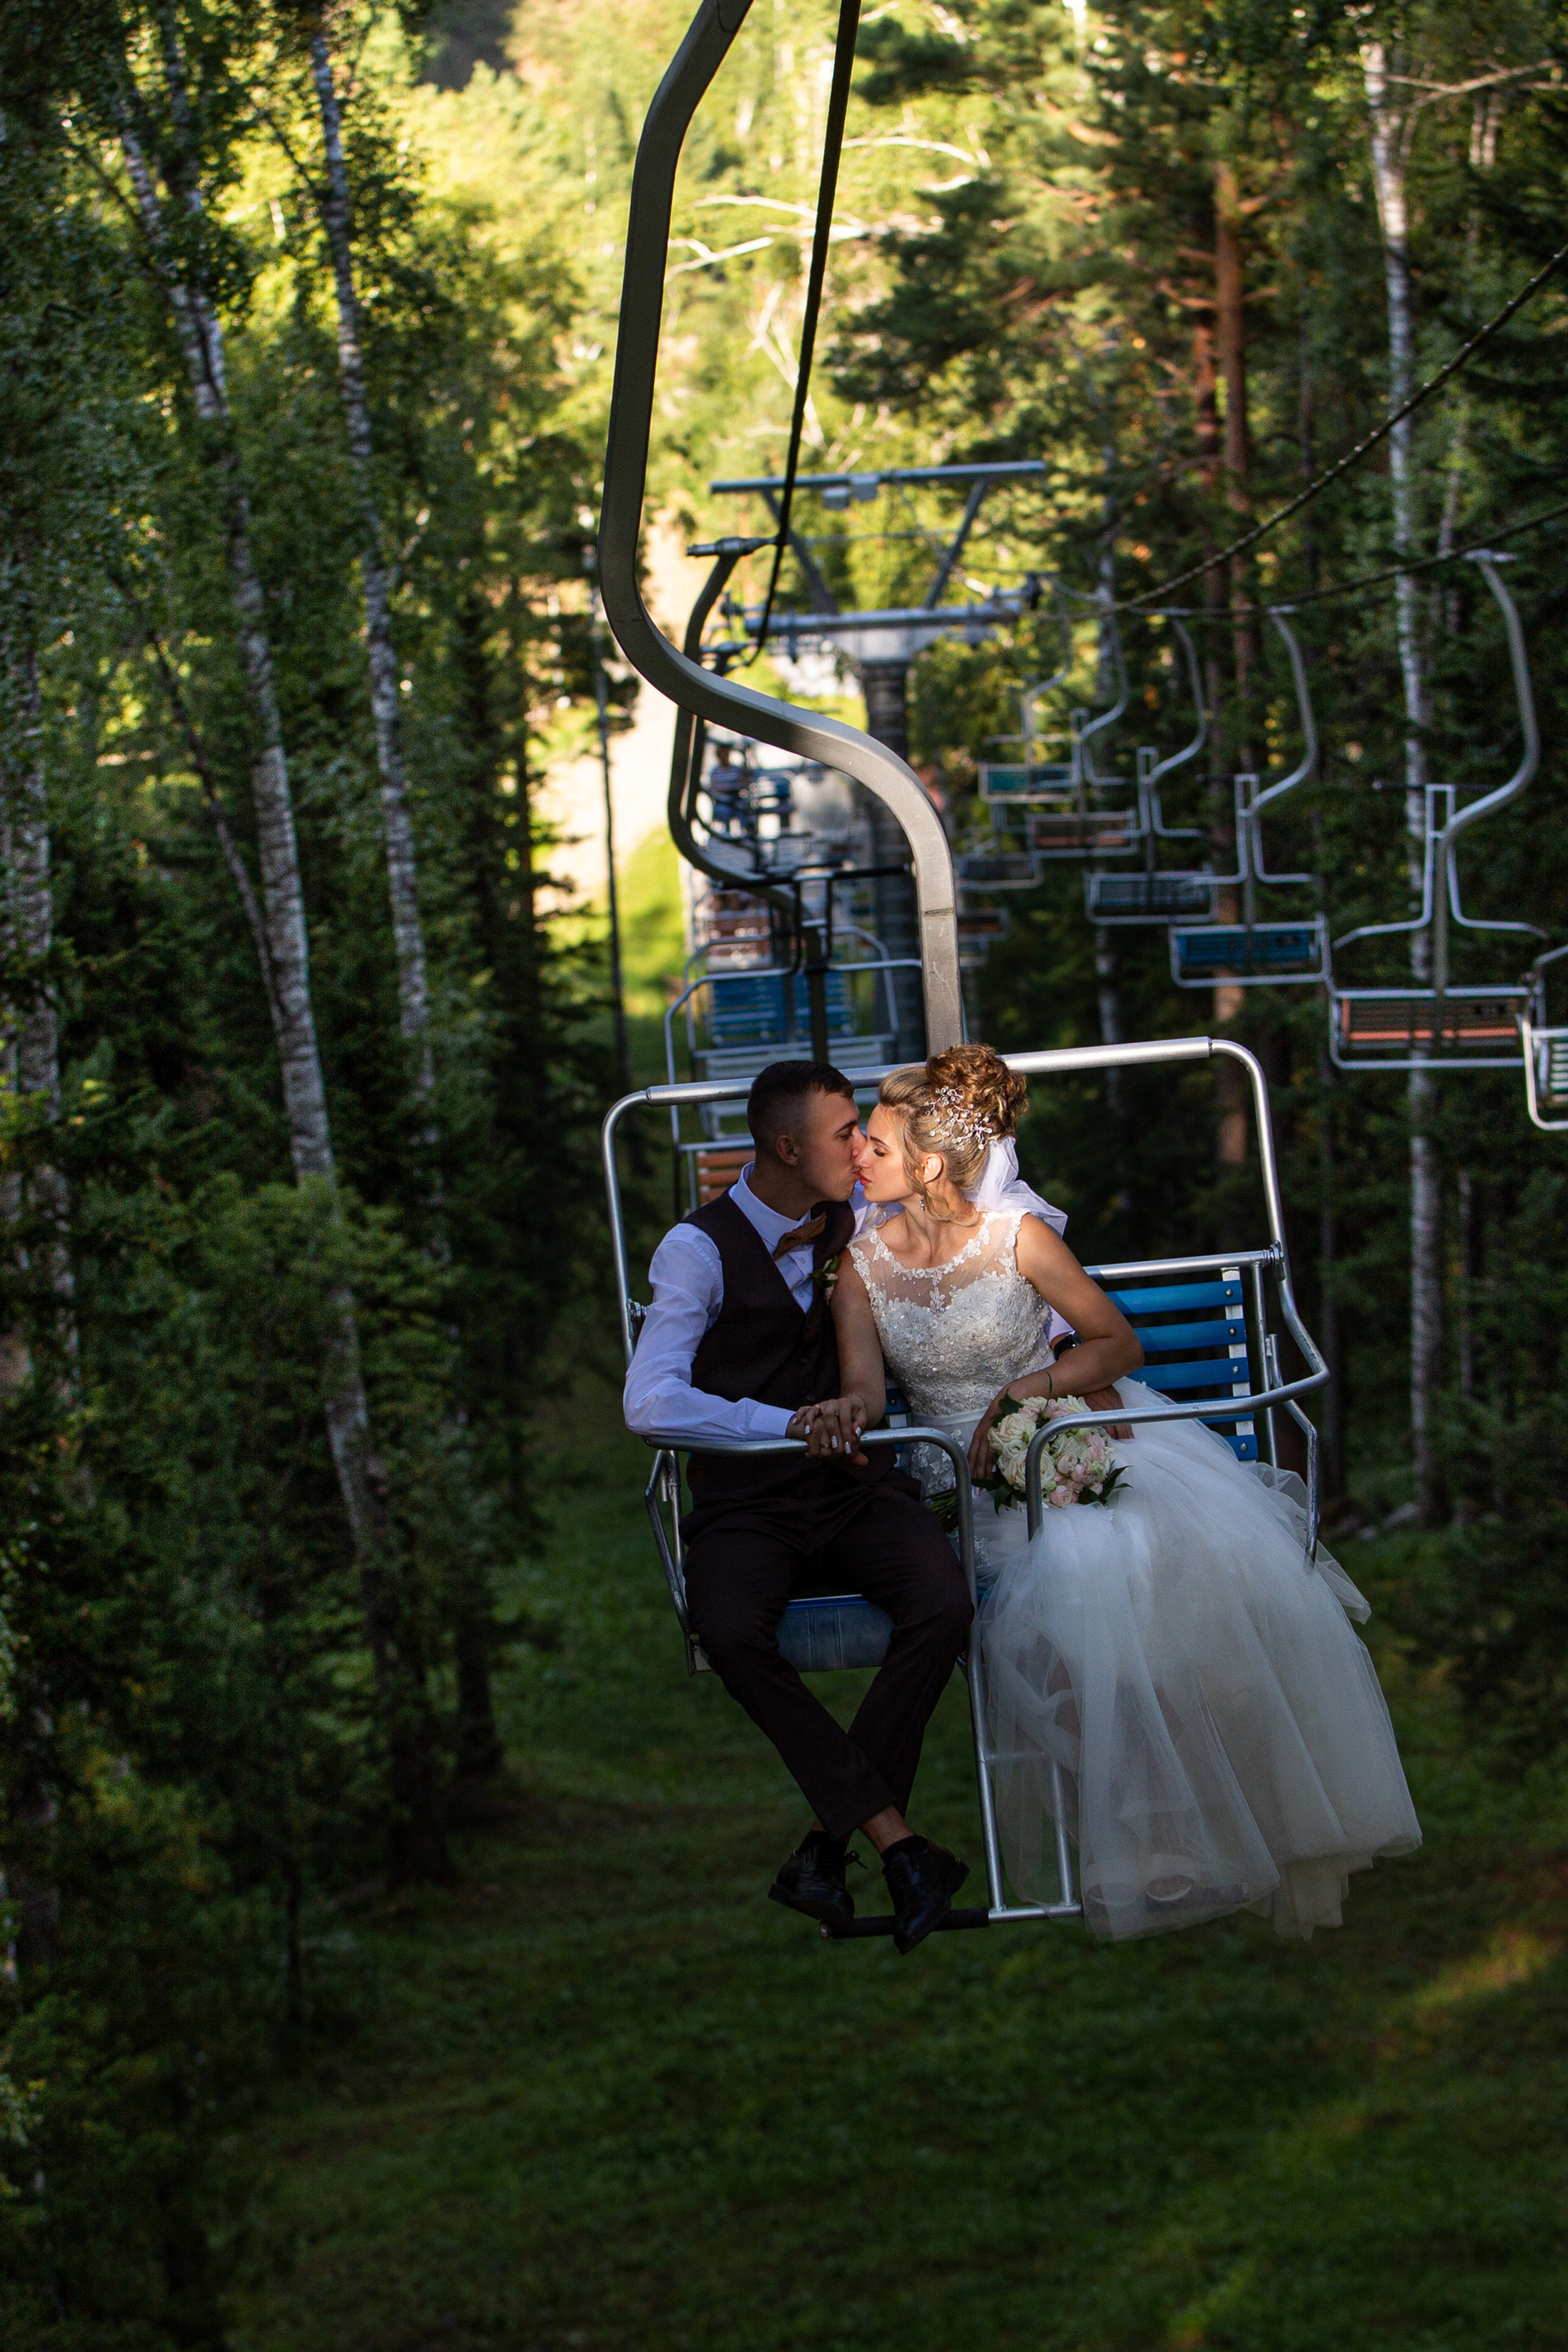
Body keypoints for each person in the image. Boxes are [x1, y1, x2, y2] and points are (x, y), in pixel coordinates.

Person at [813, 1043, 1421, 1943]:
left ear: (929, 1165)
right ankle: (1149, 1824)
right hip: (958, 1480)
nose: (859, 1156)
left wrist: (1027, 1392)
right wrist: (845, 1409)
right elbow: (867, 1389)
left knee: (1122, 1558)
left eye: (876, 1143)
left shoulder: (1018, 1239)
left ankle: (1159, 1824)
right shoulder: (861, 1268)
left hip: (1049, 1441)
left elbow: (1115, 1344)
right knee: (1064, 1586)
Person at [622, 1058, 974, 1953]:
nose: (863, 1149)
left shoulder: (862, 1221)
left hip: (856, 1488)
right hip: (750, 1505)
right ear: (788, 1148)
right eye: (845, 1133)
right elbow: (650, 1402)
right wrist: (781, 1424)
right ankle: (899, 1846)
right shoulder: (696, 1249)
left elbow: (975, 1249)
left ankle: (828, 1849)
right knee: (727, 1627)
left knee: (944, 1601)